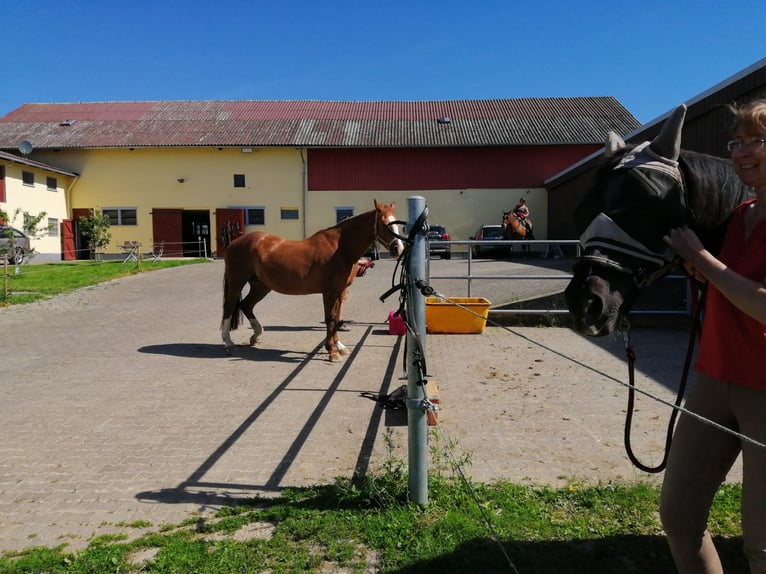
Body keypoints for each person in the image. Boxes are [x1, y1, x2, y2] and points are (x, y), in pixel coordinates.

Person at [661, 98, 766, 573]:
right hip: (714, 378)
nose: (743, 151)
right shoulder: (741, 212)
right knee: (679, 517)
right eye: (737, 142)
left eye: (757, 141)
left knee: (762, 547)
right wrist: (707, 274)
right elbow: (733, 284)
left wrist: (702, 259)